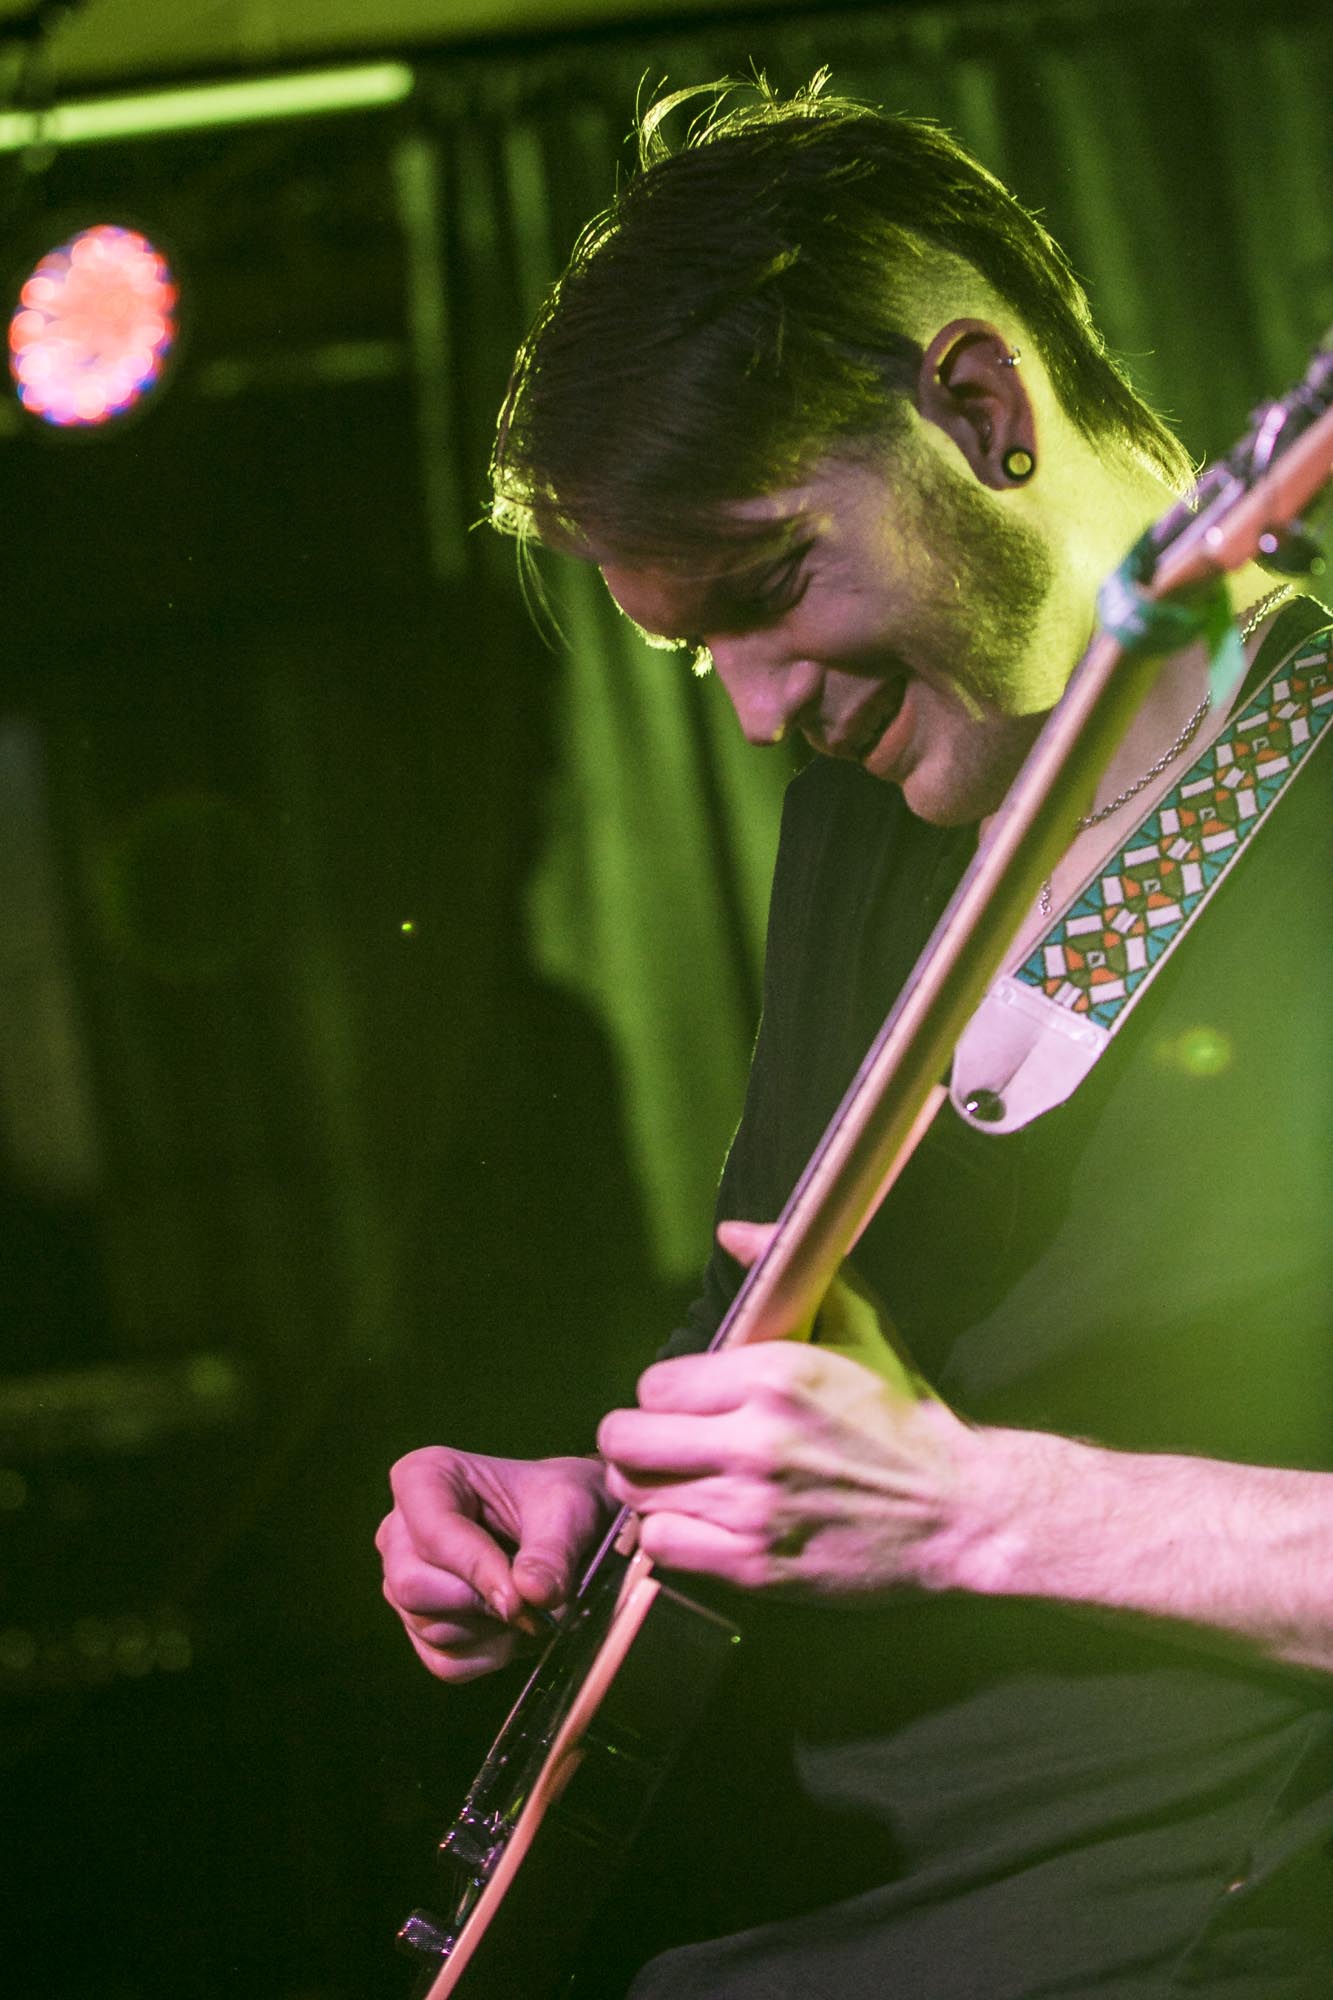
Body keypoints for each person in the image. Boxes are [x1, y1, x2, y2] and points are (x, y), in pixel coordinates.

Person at [376, 77, 1333, 1997]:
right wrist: (622, 1504)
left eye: (766, 594)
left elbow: (934, 1477)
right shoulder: (872, 821)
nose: (750, 714)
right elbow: (855, 1371)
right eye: (689, 650)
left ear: (979, 411)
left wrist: (978, 1511)